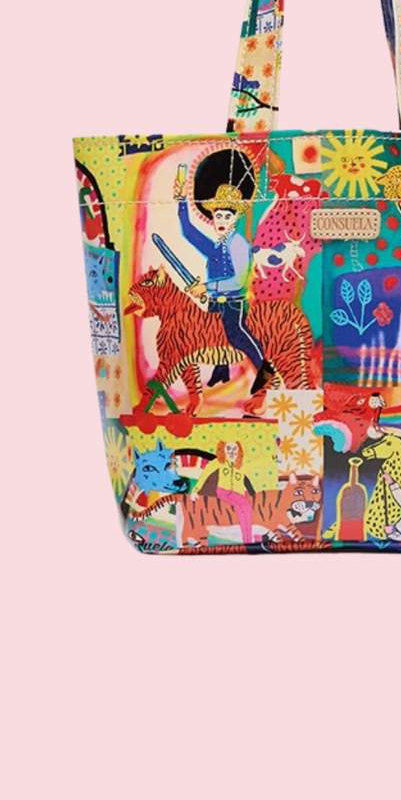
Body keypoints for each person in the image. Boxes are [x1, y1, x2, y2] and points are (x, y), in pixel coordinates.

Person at [175, 171, 276, 396]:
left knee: (235, 333)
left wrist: (206, 287)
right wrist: (181, 200)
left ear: (235, 217)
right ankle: (221, 370)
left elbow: (237, 282)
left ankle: (264, 368)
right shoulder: (216, 247)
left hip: (232, 303)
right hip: (215, 302)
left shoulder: (238, 244)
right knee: (214, 334)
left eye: (226, 217)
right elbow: (189, 232)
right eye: (218, 216)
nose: (221, 221)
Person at [193, 440, 256, 545]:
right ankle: (248, 540)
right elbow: (205, 473)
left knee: (253, 505)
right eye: (228, 449)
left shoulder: (241, 465)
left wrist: (272, 458)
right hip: (225, 492)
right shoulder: (219, 462)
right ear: (223, 450)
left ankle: (257, 536)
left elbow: (255, 465)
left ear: (239, 451)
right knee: (244, 506)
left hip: (239, 494)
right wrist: (196, 490)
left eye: (235, 449)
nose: (232, 452)